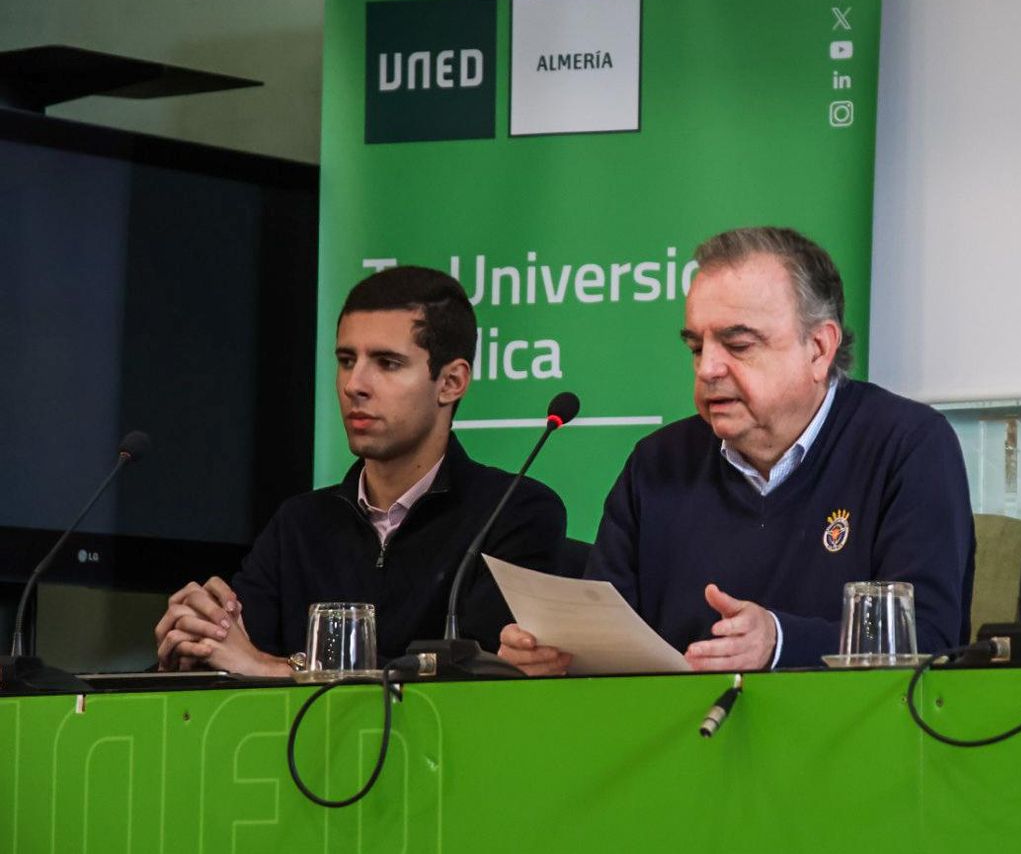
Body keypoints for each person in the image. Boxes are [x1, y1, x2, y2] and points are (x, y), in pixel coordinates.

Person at [498, 226, 975, 674]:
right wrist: (560, 652)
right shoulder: (658, 463)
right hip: (681, 745)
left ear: (818, 348)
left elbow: (929, 642)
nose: (707, 369)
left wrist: (780, 641)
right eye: (696, 347)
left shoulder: (907, 445)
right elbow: (606, 638)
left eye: (738, 344)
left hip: (850, 746)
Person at [154, 266, 570, 675]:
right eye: (346, 359)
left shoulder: (514, 511)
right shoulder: (299, 523)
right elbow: (237, 654)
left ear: (451, 382)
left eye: (387, 363)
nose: (355, 384)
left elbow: (475, 679)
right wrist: (199, 641)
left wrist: (272, 668)